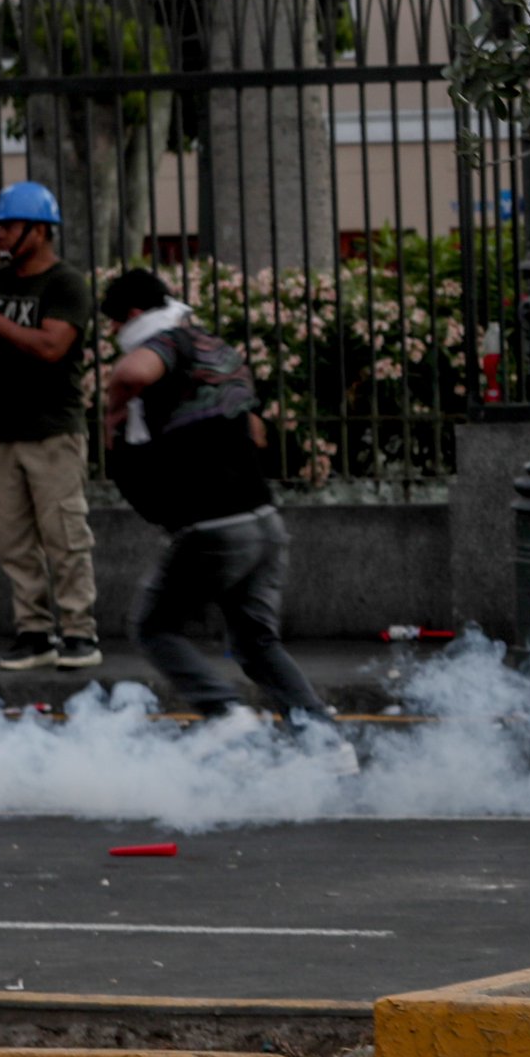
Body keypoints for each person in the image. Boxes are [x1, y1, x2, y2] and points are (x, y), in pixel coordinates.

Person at [94, 268, 336, 738]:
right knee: (255, 642)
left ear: (134, 315)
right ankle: (324, 740)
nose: (113, 336)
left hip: (215, 526)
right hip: (264, 521)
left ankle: (227, 716)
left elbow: (131, 372)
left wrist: (114, 409)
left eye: (114, 324)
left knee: (154, 627)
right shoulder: (215, 350)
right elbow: (257, 431)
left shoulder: (169, 342)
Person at [0, 182, 100, 672]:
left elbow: (52, 347)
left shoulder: (65, 284)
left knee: (64, 535)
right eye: (1, 225)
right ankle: (33, 632)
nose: (1, 234)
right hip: (3, 431)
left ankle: (79, 632)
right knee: (11, 539)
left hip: (52, 429)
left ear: (39, 231)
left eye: (9, 225)